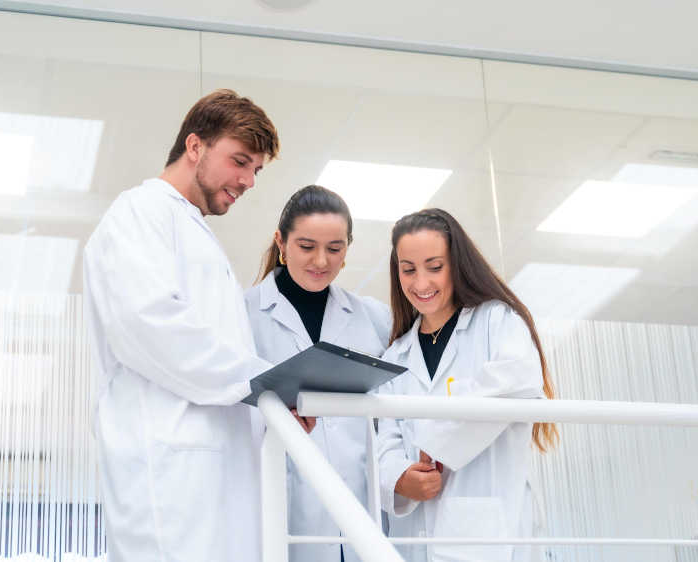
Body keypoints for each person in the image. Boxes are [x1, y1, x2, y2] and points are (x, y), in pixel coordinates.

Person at [83, 89, 303, 562]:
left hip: (214, 468)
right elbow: (147, 325)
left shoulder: (190, 229)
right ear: (195, 146)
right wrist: (262, 385)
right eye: (239, 161)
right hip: (171, 467)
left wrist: (269, 403)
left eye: (256, 171)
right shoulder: (139, 213)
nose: (247, 181)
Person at [376, 209, 558, 562]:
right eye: (408, 269)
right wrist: (398, 478)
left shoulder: (497, 321)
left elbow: (517, 381)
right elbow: (385, 440)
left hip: (488, 535)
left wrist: (434, 444)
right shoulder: (396, 355)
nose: (421, 282)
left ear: (456, 264)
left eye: (434, 266)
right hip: (413, 539)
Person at [244, 185, 391, 562]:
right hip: (286, 513)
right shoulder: (244, 314)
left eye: (335, 248)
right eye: (307, 247)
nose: (321, 261)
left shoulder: (372, 317)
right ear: (282, 242)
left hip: (360, 514)